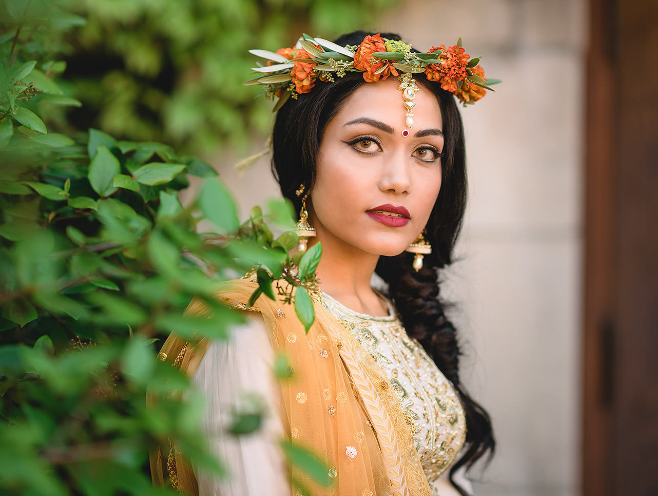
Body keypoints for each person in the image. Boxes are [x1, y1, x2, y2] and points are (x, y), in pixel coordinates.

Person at [150, 31, 496, 496]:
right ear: (304, 157)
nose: (400, 180)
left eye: (425, 152)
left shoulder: (399, 313)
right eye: (366, 143)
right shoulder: (250, 326)